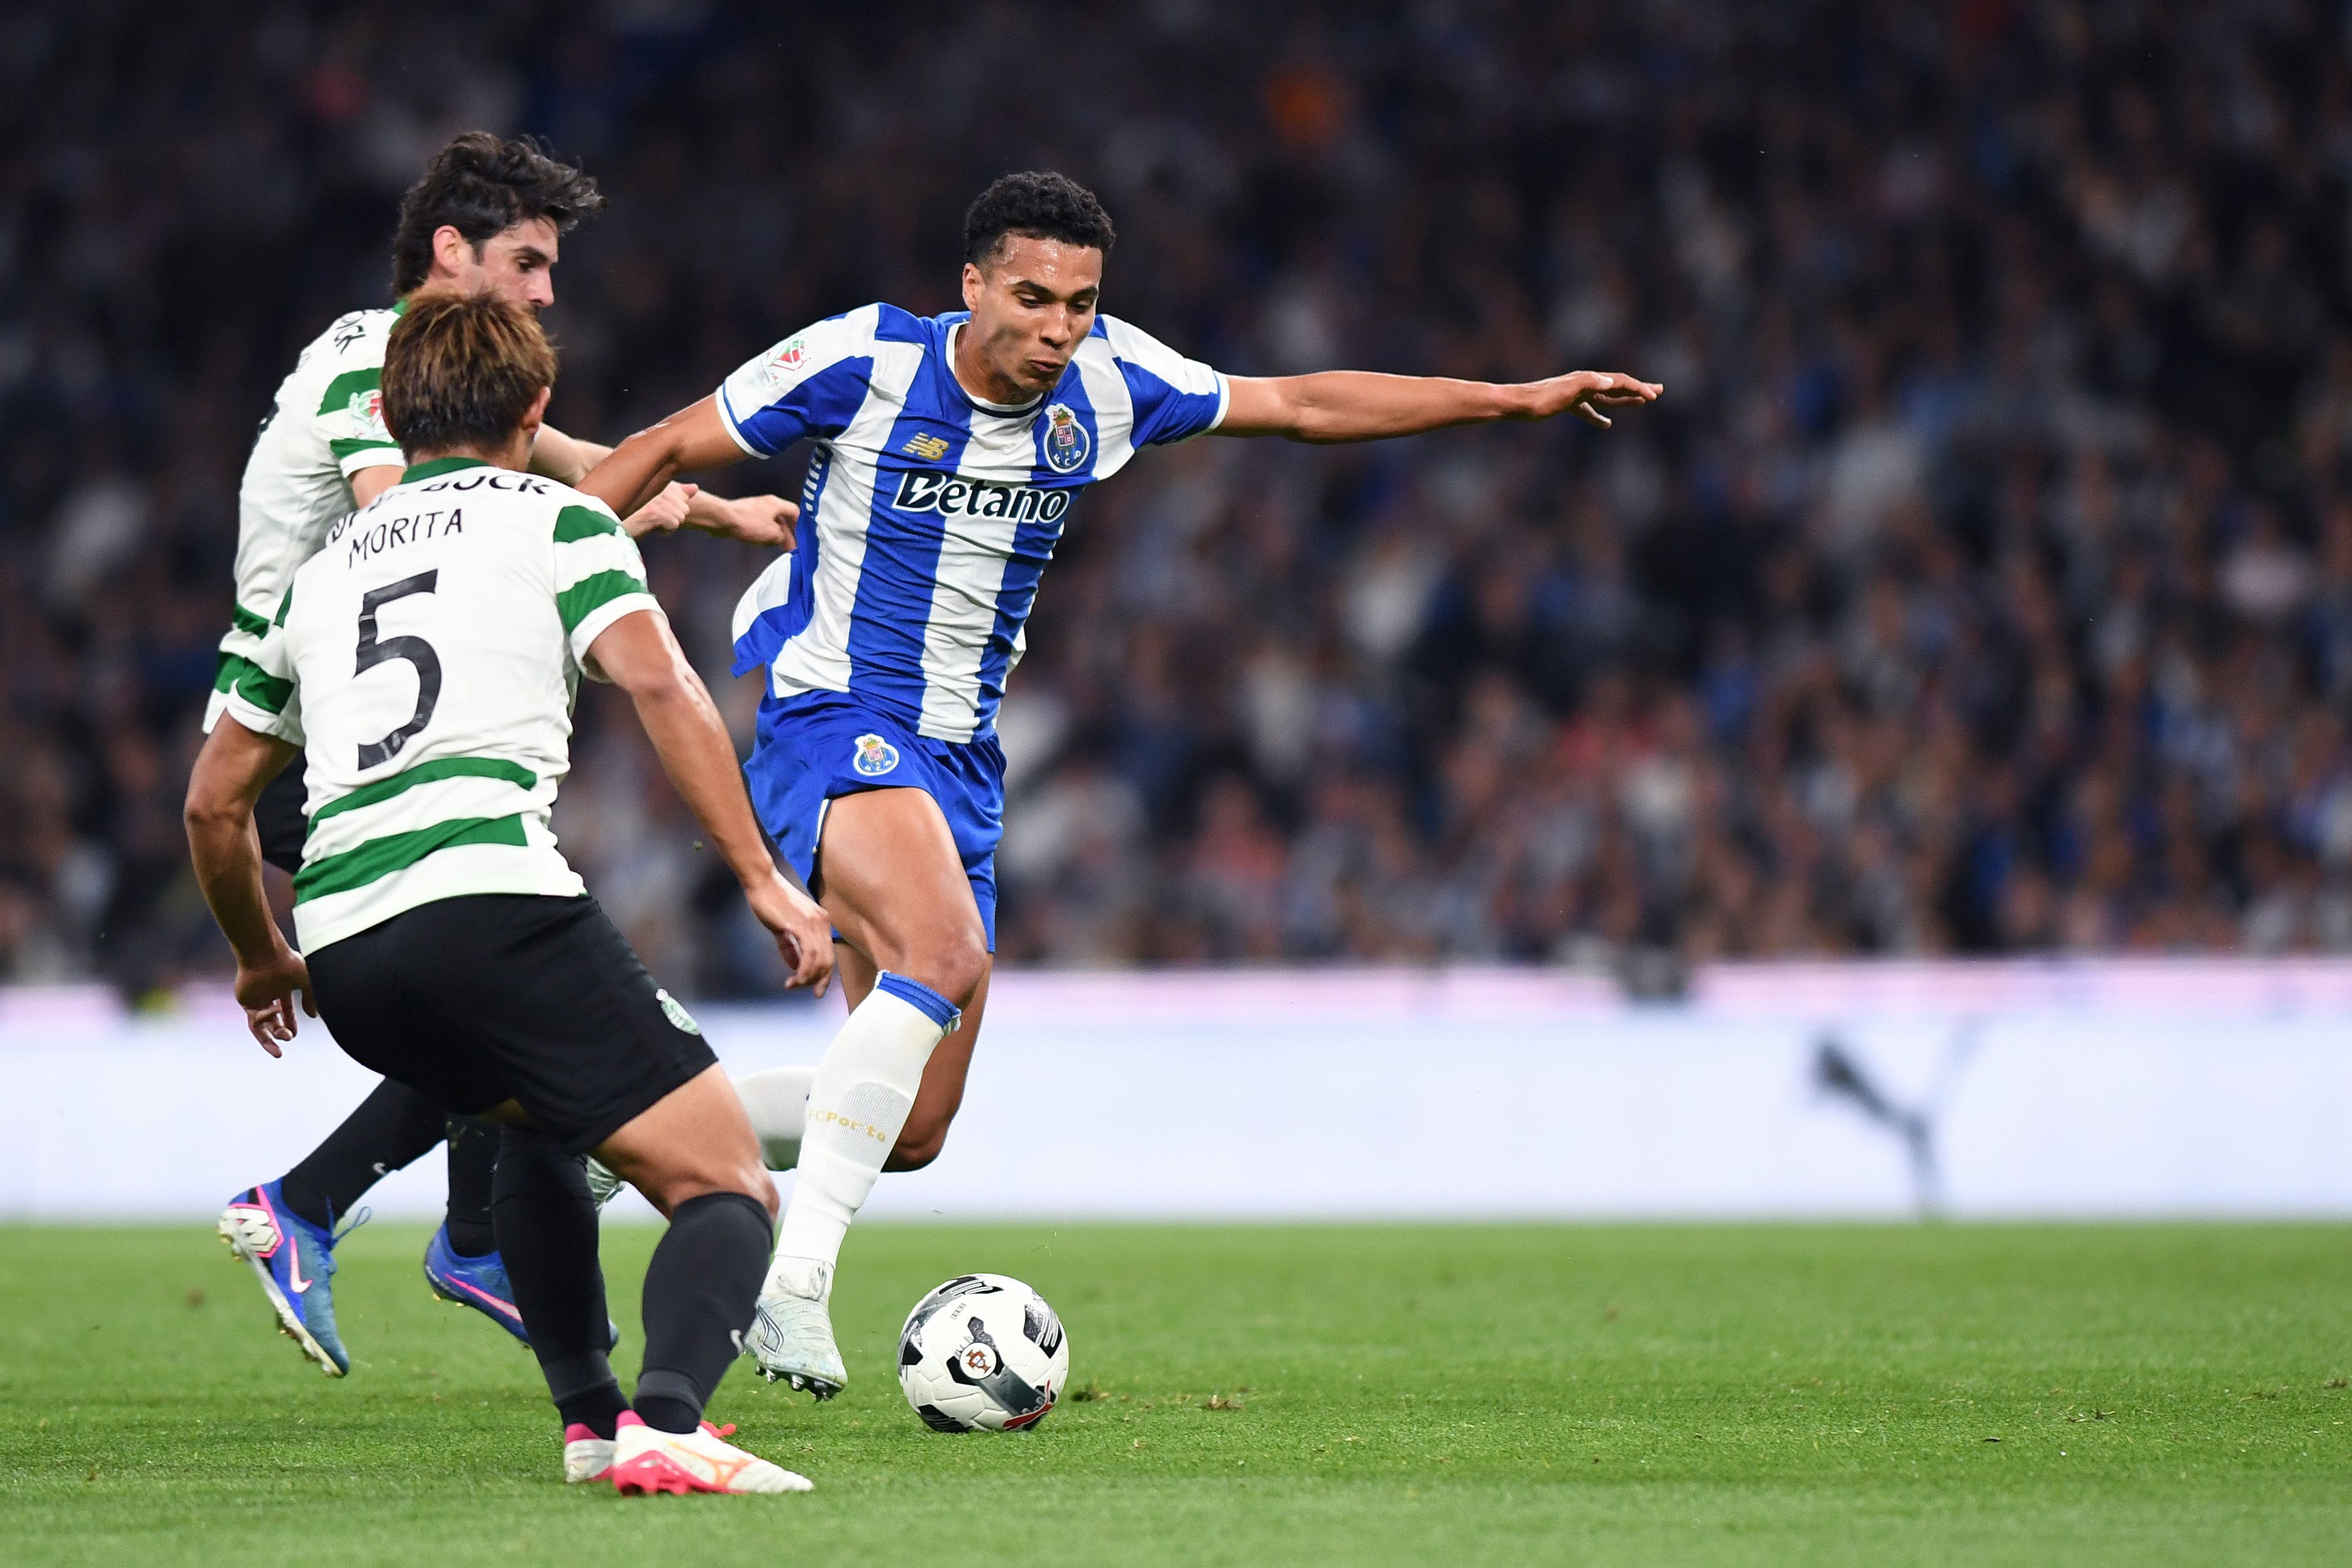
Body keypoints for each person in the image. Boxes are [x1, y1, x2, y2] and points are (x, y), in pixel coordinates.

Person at [578, 170, 1663, 1398]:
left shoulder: (1112, 380)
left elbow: (1300, 403)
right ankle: (794, 1286)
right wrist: (525, 563)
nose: (1057, 328)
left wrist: (1513, 397)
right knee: (945, 952)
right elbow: (663, 447)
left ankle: (630, 1118)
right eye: (1031, 297)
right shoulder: (863, 360)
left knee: (914, 1127)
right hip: (830, 713)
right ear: (972, 286)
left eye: (1080, 303)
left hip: (961, 757)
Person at [186, 287, 834, 1494]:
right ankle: (669, 1420)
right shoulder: (562, 520)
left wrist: (260, 953)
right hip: (491, 901)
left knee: (535, 1122)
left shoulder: (311, 578)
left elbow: (213, 806)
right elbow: (662, 686)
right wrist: (765, 878)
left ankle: (592, 1423)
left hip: (346, 951)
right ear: (537, 410)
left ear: (389, 416)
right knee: (728, 1183)